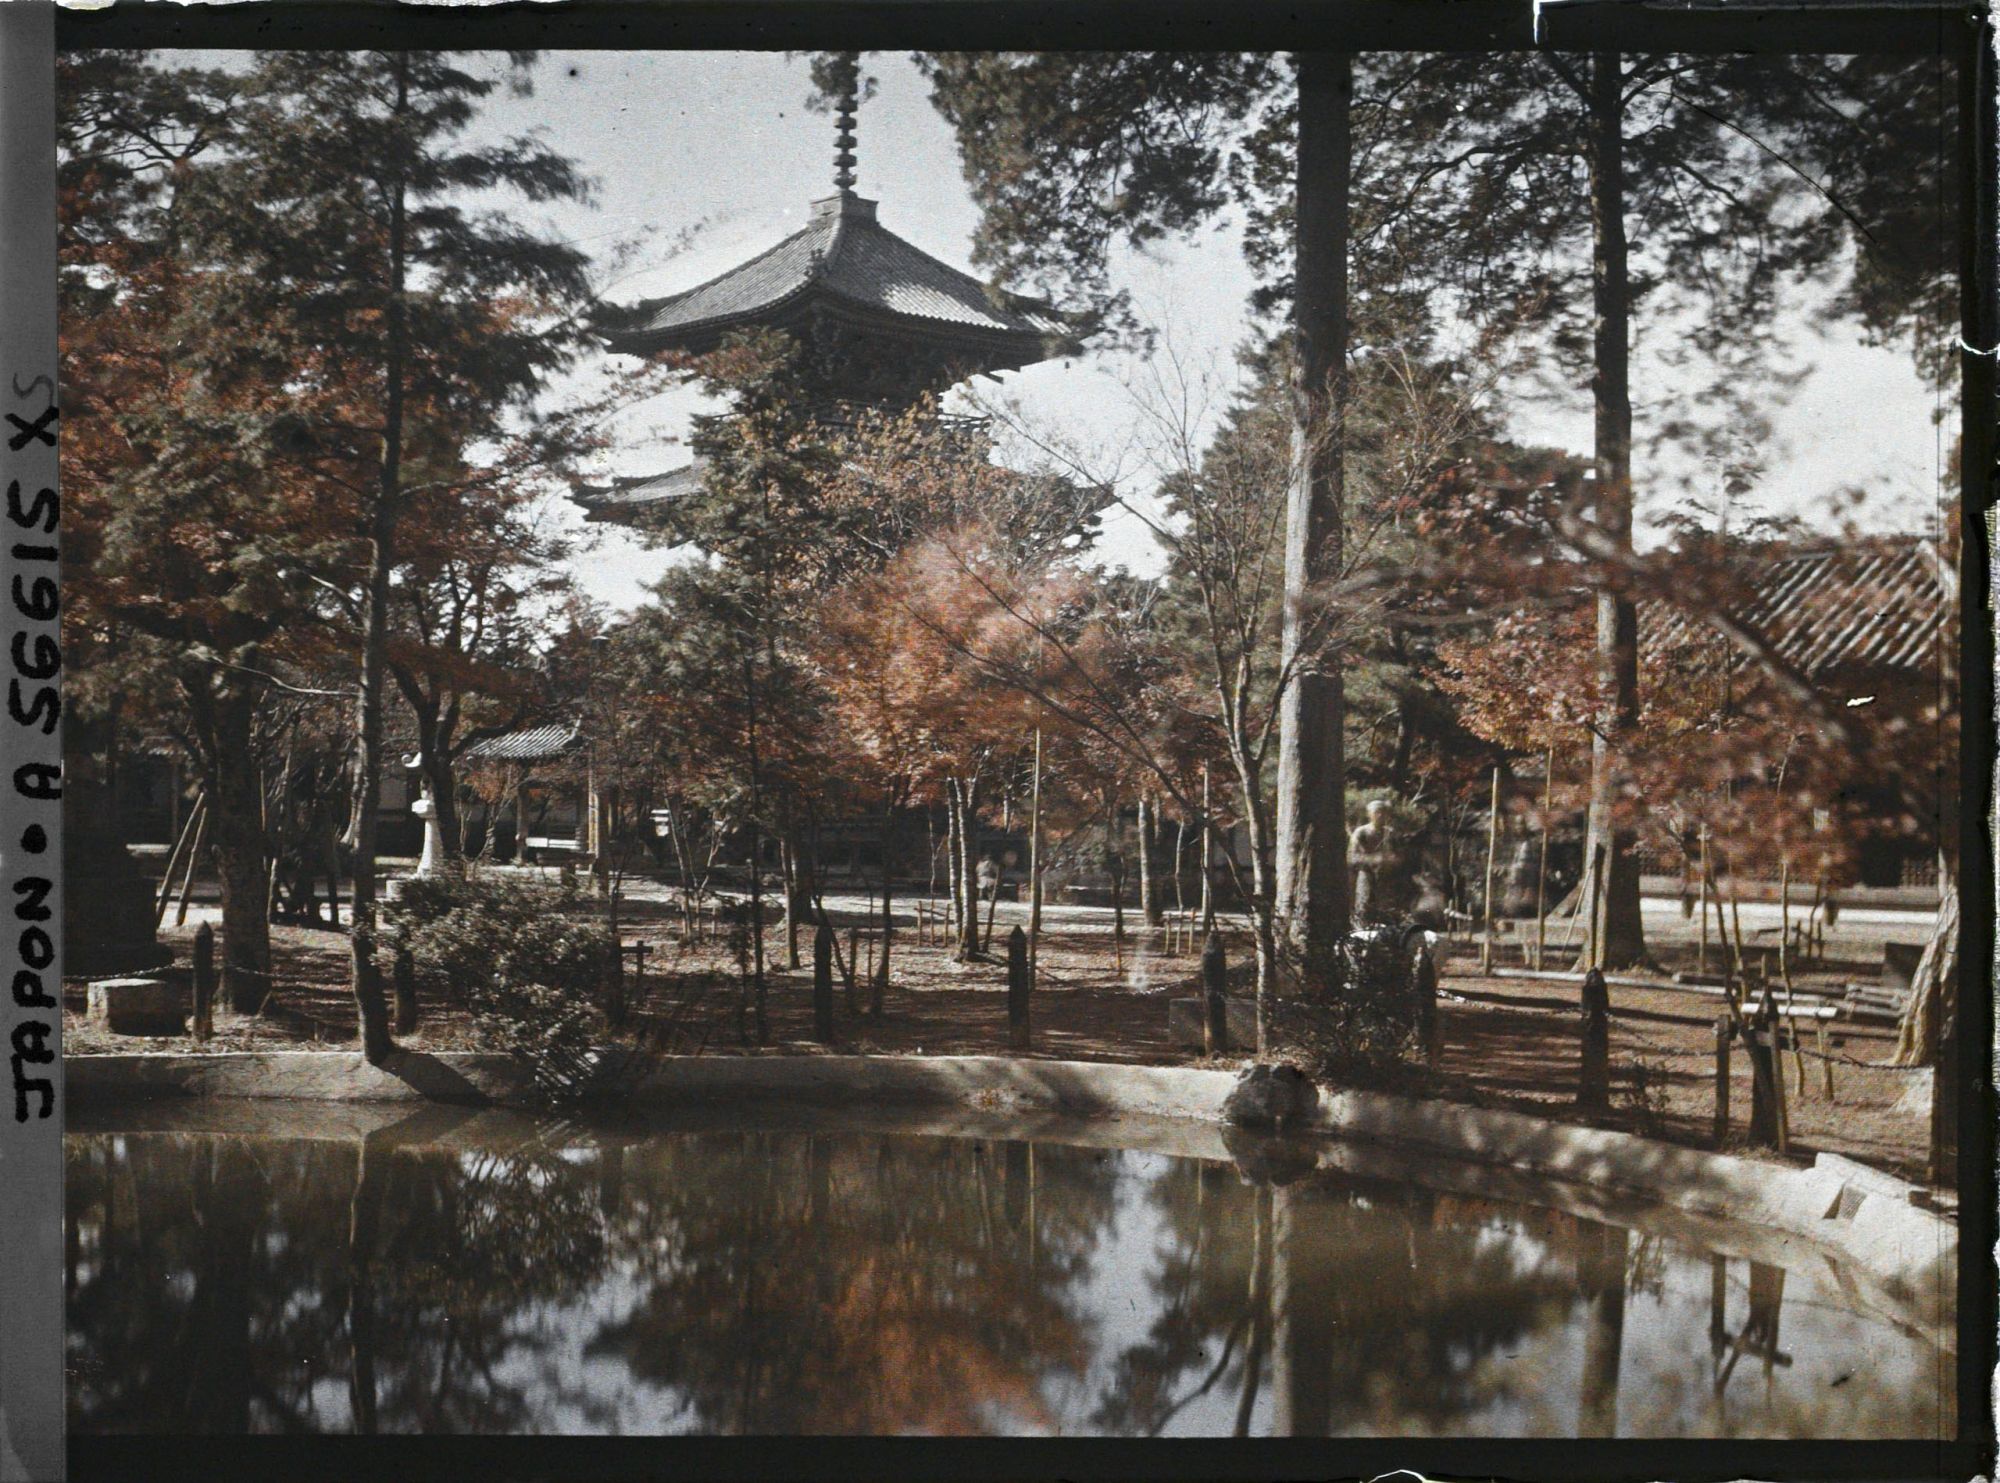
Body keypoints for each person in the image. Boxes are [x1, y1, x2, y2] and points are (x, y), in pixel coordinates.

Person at [1348, 799, 1399, 924]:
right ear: (1369, 814)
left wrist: (1392, 859)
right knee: (1364, 909)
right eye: (1376, 812)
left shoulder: (1390, 833)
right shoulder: (1361, 832)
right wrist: (1373, 859)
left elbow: (1398, 855)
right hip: (1367, 875)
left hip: (1386, 878)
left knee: (1387, 911)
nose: (1380, 815)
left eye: (1383, 812)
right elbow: (1352, 856)